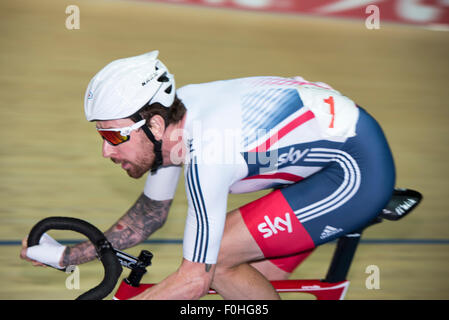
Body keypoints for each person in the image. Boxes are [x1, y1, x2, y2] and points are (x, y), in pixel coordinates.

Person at [21, 51, 395, 299]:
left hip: (353, 172)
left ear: (152, 124)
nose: (105, 150)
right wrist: (70, 255)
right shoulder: (174, 121)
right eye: (101, 135)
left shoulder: (208, 152)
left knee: (217, 261)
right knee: (245, 289)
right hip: (316, 162)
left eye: (114, 135)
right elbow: (150, 215)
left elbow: (195, 278)